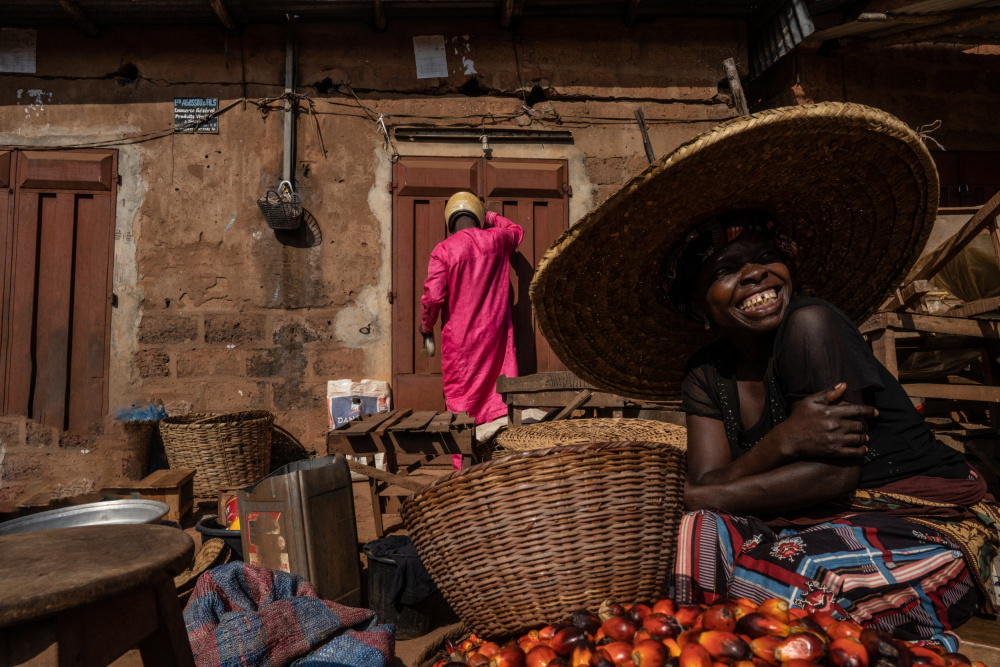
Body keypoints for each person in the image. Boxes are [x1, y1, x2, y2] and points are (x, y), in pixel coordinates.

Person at [528, 101, 1000, 649]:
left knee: (814, 585)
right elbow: (706, 488)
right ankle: (704, 649)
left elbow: (831, 478)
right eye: (726, 269)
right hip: (807, 519)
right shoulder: (706, 374)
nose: (755, 273)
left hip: (913, 513)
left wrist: (704, 492)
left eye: (766, 256)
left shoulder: (811, 325)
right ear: (700, 307)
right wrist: (782, 440)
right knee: (699, 533)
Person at [420, 192, 522, 429]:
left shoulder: (443, 250)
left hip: (461, 346)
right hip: (495, 340)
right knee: (500, 402)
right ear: (477, 217)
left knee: (462, 407)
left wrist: (426, 327)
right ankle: (499, 461)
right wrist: (491, 216)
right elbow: (516, 229)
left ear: (450, 221)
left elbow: (433, 297)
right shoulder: (497, 239)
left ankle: (463, 465)